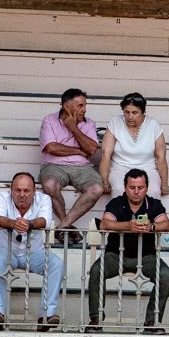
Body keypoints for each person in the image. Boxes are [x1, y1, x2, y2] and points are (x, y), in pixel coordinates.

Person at [86, 169, 169, 333]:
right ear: (125, 187)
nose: (136, 191)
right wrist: (128, 226)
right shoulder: (116, 203)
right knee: (96, 270)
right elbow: (105, 224)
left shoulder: (154, 204)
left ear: (146, 187)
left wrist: (151, 227)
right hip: (115, 255)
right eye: (132, 187)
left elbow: (167, 225)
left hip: (146, 257)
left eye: (140, 187)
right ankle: (96, 319)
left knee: (166, 275)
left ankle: (152, 321)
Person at [0, 172, 63, 332]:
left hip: (34, 252)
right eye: (18, 190)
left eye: (26, 191)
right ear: (11, 190)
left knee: (56, 264)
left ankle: (47, 315)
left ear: (34, 190)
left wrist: (28, 224)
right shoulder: (2, 197)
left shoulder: (44, 199)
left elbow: (45, 220)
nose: (22, 194)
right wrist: (14, 223)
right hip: (6, 250)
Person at [39, 88, 103, 245]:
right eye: (80, 105)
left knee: (97, 189)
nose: (84, 109)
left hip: (82, 168)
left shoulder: (89, 123)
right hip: (54, 165)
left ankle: (63, 226)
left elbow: (92, 149)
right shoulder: (49, 120)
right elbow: (51, 148)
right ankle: (66, 225)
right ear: (67, 107)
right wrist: (78, 151)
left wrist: (73, 127)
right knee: (49, 184)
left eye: (85, 105)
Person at [98, 92, 169, 198]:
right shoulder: (115, 123)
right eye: (126, 112)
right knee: (119, 190)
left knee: (153, 191)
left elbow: (161, 156)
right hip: (120, 168)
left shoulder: (153, 125)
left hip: (147, 168)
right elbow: (105, 154)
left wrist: (164, 184)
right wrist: (104, 181)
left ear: (143, 112)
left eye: (135, 112)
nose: (130, 116)